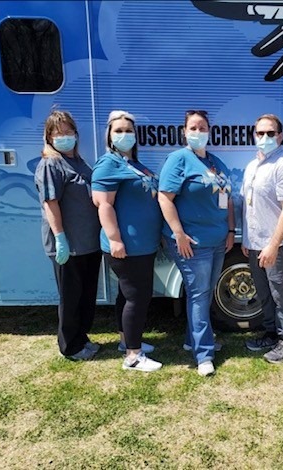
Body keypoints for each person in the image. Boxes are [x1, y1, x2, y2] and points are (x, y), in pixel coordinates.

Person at [158, 110, 234, 377]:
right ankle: (204, 354)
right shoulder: (178, 159)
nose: (198, 131)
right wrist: (178, 233)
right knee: (199, 295)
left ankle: (194, 340)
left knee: (204, 293)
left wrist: (231, 230)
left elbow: (227, 198)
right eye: (193, 127)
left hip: (217, 240)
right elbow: (165, 198)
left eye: (203, 127)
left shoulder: (215, 163)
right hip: (193, 242)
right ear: (184, 131)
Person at [92, 110, 163, 372]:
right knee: (138, 297)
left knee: (127, 294)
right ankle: (133, 357)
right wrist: (115, 239)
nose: (124, 135)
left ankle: (127, 342)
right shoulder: (108, 163)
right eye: (118, 131)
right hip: (127, 246)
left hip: (143, 245)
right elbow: (103, 205)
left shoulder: (133, 163)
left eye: (129, 130)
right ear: (109, 136)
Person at [35, 110, 102, 361]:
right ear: (49, 137)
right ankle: (69, 347)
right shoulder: (51, 164)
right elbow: (50, 203)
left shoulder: (79, 162)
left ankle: (81, 338)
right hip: (69, 245)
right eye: (58, 133)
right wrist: (60, 237)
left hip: (88, 243)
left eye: (68, 131)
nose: (64, 136)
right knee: (71, 297)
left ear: (75, 133)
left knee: (86, 295)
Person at [242, 114, 283, 364]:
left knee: (281, 294)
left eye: (270, 133)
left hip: (279, 245)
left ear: (280, 136)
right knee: (265, 294)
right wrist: (248, 240)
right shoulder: (252, 166)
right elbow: (249, 205)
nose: (265, 138)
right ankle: (270, 333)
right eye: (260, 133)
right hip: (255, 245)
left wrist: (273, 245)